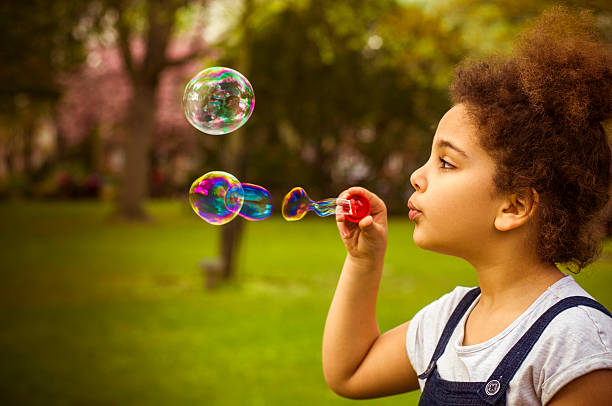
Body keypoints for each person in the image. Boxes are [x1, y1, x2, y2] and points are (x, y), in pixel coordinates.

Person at [322, 6, 612, 405]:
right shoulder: (449, 320)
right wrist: (363, 261)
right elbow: (350, 373)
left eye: (445, 162)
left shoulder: (575, 344)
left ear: (513, 206)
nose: (416, 176)